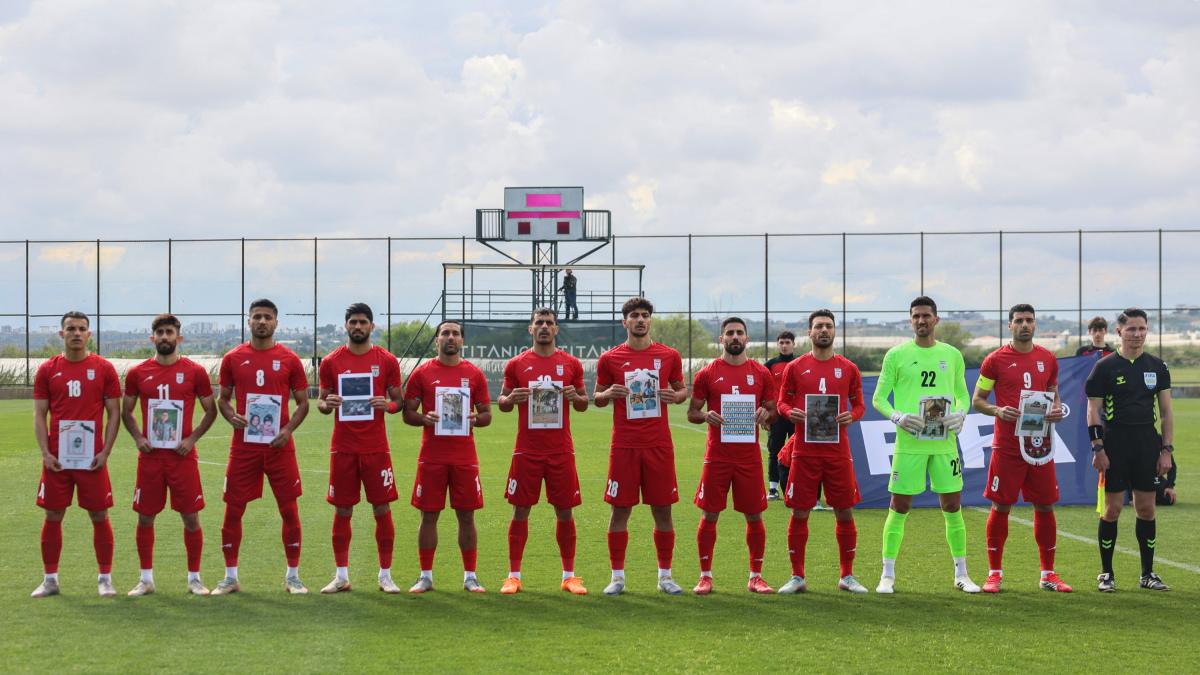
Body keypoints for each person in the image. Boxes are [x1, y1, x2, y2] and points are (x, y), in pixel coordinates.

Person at [871, 296, 979, 594]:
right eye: (916, 316)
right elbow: (878, 398)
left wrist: (960, 413)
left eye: (926, 316)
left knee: (952, 505)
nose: (921, 320)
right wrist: (898, 416)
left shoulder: (952, 354)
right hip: (910, 443)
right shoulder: (896, 355)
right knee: (900, 505)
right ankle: (887, 575)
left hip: (944, 442)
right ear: (910, 320)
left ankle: (962, 574)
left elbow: (962, 395)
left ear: (936, 320)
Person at [212, 299, 311, 595]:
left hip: (279, 445)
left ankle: (293, 576)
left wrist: (288, 429)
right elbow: (223, 399)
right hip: (244, 446)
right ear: (249, 321)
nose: (262, 321)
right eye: (257, 317)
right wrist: (231, 416)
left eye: (267, 317)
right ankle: (230, 577)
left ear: (276, 322)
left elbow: (304, 403)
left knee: (289, 509)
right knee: (233, 508)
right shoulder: (232, 358)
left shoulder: (290, 359)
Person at [971, 304, 1072, 593]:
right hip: (1007, 446)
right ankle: (994, 573)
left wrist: (1056, 410)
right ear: (1010, 326)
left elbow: (1054, 395)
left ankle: (1048, 574)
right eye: (1019, 321)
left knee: (1045, 504)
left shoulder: (1048, 359)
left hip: (1039, 443)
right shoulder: (994, 360)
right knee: (1001, 504)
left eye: (1029, 320)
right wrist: (997, 410)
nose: (1024, 325)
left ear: (1035, 324)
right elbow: (978, 399)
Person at [594, 297, 688, 596]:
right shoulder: (610, 358)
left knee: (663, 510)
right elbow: (596, 397)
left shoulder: (669, 355)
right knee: (620, 510)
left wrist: (677, 397)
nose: (640, 320)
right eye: (634, 315)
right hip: (624, 445)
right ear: (625, 322)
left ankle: (665, 576)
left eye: (645, 315)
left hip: (659, 444)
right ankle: (617, 578)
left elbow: (681, 390)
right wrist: (609, 391)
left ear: (650, 320)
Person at [120, 313, 219, 596]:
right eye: (160, 333)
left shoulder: (195, 372)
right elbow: (126, 411)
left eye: (169, 332)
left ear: (179, 337)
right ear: (152, 338)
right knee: (145, 518)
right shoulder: (138, 373)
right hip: (150, 458)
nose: (165, 337)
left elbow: (210, 410)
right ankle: (146, 579)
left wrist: (192, 438)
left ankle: (194, 579)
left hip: (182, 457)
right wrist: (138, 437)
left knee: (191, 517)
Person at [496, 308, 589, 595]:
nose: (545, 327)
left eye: (549, 323)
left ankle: (569, 576)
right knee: (520, 509)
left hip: (561, 450)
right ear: (531, 329)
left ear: (557, 329)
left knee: (564, 510)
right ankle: (513, 575)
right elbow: (502, 401)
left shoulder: (571, 363)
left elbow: (585, 402)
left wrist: (576, 397)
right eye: (540, 323)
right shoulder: (516, 364)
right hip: (527, 450)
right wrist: (510, 398)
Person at [775, 310, 868, 594]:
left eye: (828, 326)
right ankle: (797, 576)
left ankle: (847, 576)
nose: (823, 330)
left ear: (835, 331)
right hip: (804, 451)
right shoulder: (796, 367)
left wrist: (851, 416)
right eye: (818, 326)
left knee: (844, 511)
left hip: (838, 451)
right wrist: (793, 413)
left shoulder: (849, 368)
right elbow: (782, 403)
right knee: (800, 511)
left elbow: (860, 406)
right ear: (809, 332)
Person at [31, 311, 122, 598]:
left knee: (99, 514)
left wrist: (106, 452)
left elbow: (114, 413)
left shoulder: (104, 368)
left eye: (82, 329)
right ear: (62, 334)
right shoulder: (48, 369)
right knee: (53, 514)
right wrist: (45, 453)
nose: (77, 333)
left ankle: (105, 578)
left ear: (89, 334)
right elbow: (39, 414)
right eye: (71, 328)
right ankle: (49, 579)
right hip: (57, 459)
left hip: (91, 459)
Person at [315, 303, 405, 594]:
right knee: (342, 510)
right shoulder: (331, 361)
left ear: (371, 326)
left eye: (363, 322)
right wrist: (326, 404)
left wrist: (388, 405)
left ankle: (385, 574)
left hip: (376, 448)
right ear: (346, 326)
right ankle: (341, 575)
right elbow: (321, 401)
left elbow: (398, 401)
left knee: (382, 507)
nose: (358, 327)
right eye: (353, 322)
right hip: (343, 448)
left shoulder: (386, 360)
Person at [686, 317, 777, 595]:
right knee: (710, 514)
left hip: (749, 457)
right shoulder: (707, 373)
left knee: (754, 516)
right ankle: (705, 576)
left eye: (739, 333)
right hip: (717, 456)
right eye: (729, 333)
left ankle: (756, 576)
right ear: (721, 339)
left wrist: (766, 415)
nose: (734, 337)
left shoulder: (761, 373)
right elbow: (692, 413)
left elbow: (774, 412)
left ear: (747, 339)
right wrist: (705, 416)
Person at [1086, 307, 1174, 592]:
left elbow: (1167, 413)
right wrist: (1098, 448)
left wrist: (1166, 450)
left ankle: (1147, 574)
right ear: (1119, 332)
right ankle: (1106, 573)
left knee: (1146, 509)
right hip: (1115, 446)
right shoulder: (1105, 367)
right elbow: (1093, 411)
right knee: (1111, 510)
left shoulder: (1158, 367)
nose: (1137, 334)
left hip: (1147, 445)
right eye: (1132, 329)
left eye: (1142, 329)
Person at [402, 320, 492, 593]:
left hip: (464, 457)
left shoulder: (474, 374)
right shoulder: (422, 373)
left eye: (455, 334)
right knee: (428, 516)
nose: (450, 337)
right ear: (437, 340)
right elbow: (407, 414)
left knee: (467, 516)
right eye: (445, 333)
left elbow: (487, 415)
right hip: (432, 457)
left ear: (462, 341)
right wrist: (424, 419)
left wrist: (475, 419)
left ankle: (470, 576)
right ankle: (425, 575)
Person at [764, 331, 796, 501]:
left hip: (794, 416)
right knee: (774, 451)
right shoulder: (769, 365)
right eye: (781, 342)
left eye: (787, 342)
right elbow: (763, 391)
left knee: (796, 452)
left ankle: (794, 485)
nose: (784, 345)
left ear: (793, 344)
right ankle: (773, 489)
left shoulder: (800, 364)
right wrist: (766, 415)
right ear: (778, 345)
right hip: (776, 416)